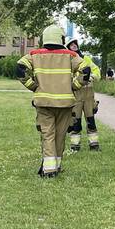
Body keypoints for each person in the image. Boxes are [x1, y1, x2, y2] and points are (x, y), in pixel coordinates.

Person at [16, 25, 91, 177]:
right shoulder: (70, 55)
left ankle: (48, 169)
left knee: (47, 134)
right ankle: (55, 166)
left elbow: (20, 69)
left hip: (44, 103)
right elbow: (86, 70)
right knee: (60, 135)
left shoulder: (34, 54)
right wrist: (74, 86)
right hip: (65, 103)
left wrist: (33, 86)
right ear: (61, 38)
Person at [66, 38, 102, 151]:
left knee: (91, 121)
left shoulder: (86, 58)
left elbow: (96, 71)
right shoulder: (67, 60)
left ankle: (94, 145)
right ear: (68, 48)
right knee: (75, 122)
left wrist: (92, 77)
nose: (74, 46)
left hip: (88, 94)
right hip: (75, 94)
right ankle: (75, 146)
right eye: (71, 45)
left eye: (75, 44)